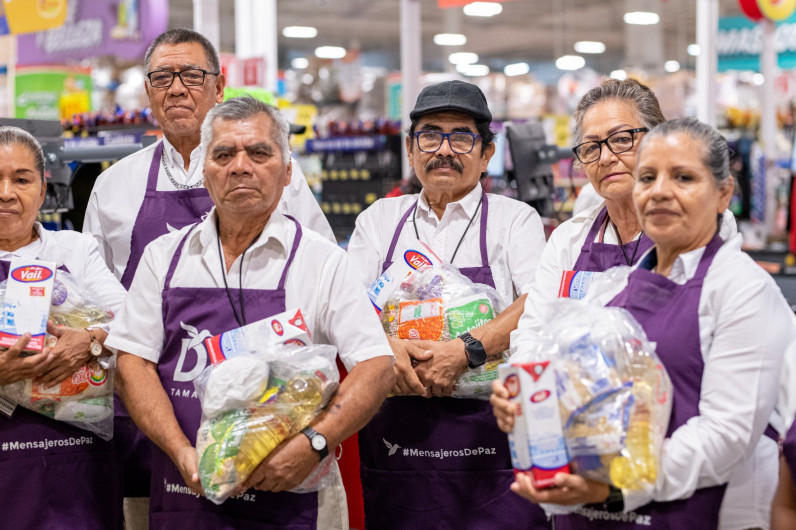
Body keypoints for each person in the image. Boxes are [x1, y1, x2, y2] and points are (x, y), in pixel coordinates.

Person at [82, 29, 335, 526]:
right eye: (162, 77)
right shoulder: (113, 186)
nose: (177, 88)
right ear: (149, 91)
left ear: (219, 86)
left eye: (191, 75)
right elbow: (98, 301)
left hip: (265, 413)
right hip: (151, 419)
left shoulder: (277, 172)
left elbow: (321, 276)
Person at [105, 96, 394, 529]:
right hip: (187, 496)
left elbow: (376, 366)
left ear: (288, 170)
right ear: (204, 171)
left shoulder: (321, 262)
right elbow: (131, 363)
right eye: (224, 154)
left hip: (295, 503)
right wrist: (183, 453)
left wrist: (314, 442)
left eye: (259, 152)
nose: (240, 166)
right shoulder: (162, 258)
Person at [494, 117, 795, 529]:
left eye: (683, 177)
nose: (659, 192)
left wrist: (615, 486)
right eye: (648, 177)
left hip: (697, 512)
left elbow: (727, 436)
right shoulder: (617, 288)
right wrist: (532, 406)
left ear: (723, 193)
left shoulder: (743, 289)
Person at [347, 80, 549, 528]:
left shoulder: (515, 220)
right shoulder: (378, 219)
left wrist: (465, 351)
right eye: (430, 135)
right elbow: (347, 308)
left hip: (489, 445)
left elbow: (539, 300)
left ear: (487, 153)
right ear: (410, 147)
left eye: (461, 137)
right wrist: (388, 349)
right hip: (397, 444)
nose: (444, 149)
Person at [0, 126, 127, 528]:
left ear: (41, 191)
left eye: (21, 180)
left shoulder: (74, 250)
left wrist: (89, 341)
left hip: (77, 461)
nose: (6, 192)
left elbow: (133, 321)